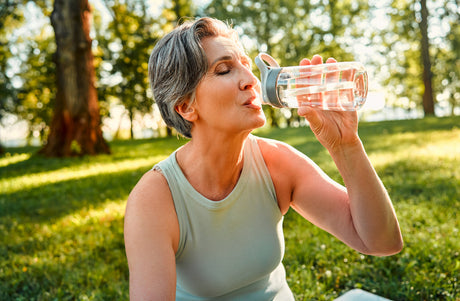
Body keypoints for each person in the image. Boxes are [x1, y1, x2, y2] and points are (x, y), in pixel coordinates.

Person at [124, 17, 403, 300]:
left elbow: (381, 241)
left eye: (246, 65)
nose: (251, 80)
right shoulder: (155, 199)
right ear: (185, 107)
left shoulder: (275, 163)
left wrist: (346, 145)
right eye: (224, 70)